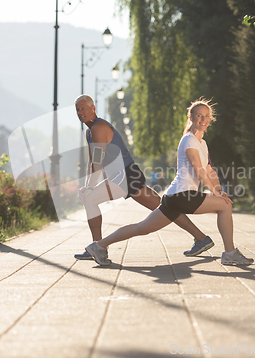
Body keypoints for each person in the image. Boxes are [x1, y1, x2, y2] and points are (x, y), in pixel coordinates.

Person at [85, 97, 254, 266]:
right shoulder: (189, 140)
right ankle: (230, 253)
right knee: (225, 206)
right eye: (199, 116)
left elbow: (209, 170)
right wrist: (217, 194)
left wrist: (218, 190)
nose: (203, 119)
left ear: (210, 119)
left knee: (142, 228)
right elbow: (199, 171)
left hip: (174, 197)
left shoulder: (202, 143)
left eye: (207, 116)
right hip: (183, 195)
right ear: (191, 118)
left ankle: (99, 245)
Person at [74, 94, 214, 261]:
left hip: (124, 176)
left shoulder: (98, 127)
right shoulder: (90, 132)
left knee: (90, 199)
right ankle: (201, 238)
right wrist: (86, 185)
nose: (80, 112)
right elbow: (93, 162)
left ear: (93, 109)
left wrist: (89, 188)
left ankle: (97, 247)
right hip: (126, 175)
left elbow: (97, 161)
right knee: (165, 208)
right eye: (77, 110)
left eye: (83, 108)